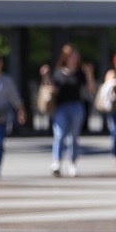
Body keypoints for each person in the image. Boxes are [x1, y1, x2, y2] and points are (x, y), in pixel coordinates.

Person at [47, 44, 88, 177]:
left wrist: (89, 74)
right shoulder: (58, 72)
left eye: (76, 55)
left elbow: (90, 89)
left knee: (73, 137)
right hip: (61, 108)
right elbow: (53, 90)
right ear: (65, 57)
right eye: (71, 55)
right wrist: (46, 77)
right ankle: (57, 162)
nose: (74, 58)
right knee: (59, 135)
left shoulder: (80, 73)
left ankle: (73, 163)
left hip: (76, 107)